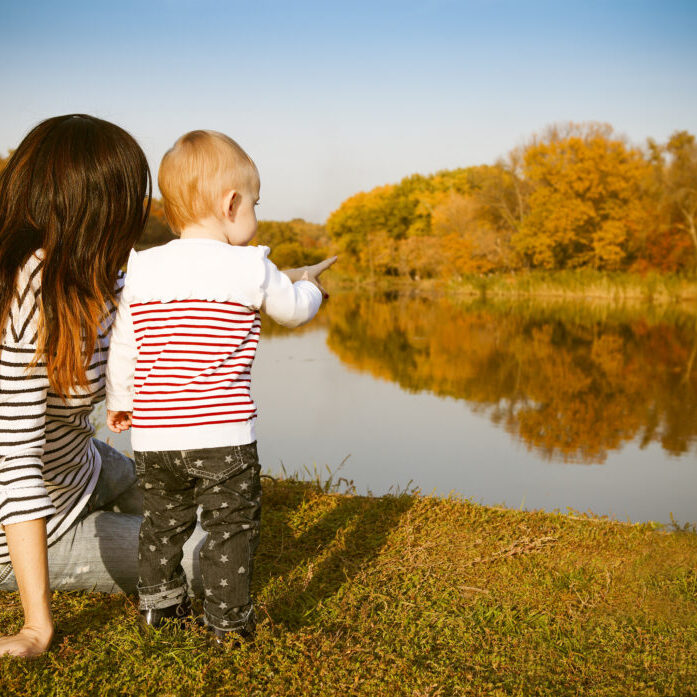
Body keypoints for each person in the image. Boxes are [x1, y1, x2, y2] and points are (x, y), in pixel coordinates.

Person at [105, 130, 335, 642]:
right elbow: (294, 312)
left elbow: (126, 342)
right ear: (231, 204)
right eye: (255, 203)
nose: (255, 214)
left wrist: (121, 401)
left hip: (156, 436)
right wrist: (312, 289)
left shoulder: (142, 265)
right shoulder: (249, 263)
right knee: (230, 527)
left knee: (163, 523)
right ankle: (228, 624)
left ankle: (159, 609)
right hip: (222, 434)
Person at [0, 114, 155, 658]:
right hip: (20, 517)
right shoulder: (24, 301)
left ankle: (107, 518)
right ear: (94, 204)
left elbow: (190, 281)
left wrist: (280, 285)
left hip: (83, 466)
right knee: (201, 558)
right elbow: (13, 464)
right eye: (130, 193)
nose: (140, 208)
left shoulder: (108, 271)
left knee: (213, 513)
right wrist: (37, 627)